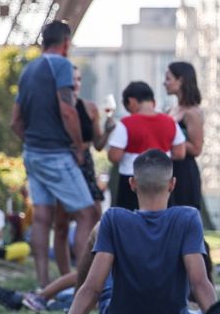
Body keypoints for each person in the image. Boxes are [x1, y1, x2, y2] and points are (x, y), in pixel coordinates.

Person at [28, 150, 217, 314]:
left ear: (132, 184)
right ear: (172, 184)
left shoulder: (113, 219)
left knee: (97, 236)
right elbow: (200, 283)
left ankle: (72, 310)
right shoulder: (188, 218)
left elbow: (92, 288)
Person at [12, 20, 100, 289]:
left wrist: (34, 143)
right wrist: (78, 146)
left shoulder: (28, 70)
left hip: (32, 153)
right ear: (66, 43)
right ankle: (84, 285)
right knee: (87, 215)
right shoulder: (61, 65)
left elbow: (15, 121)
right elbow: (68, 111)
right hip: (57, 153)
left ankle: (43, 283)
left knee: (42, 217)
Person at [51, 64, 112, 274]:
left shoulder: (90, 108)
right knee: (61, 224)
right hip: (63, 164)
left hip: (85, 164)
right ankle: (66, 276)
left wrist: (108, 130)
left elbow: (98, 145)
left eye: (78, 79)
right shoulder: (56, 108)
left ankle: (86, 273)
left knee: (94, 216)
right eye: (71, 80)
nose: (75, 84)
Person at [106, 81, 185, 211]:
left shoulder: (126, 124)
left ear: (131, 101)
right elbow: (180, 152)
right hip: (162, 179)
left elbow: (114, 156)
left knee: (128, 217)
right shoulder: (170, 122)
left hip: (132, 180)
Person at [164, 62, 207, 216]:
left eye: (168, 79)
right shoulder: (170, 110)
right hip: (168, 169)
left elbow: (196, 148)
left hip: (184, 173)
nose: (164, 83)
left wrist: (172, 140)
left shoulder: (192, 113)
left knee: (184, 217)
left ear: (180, 80)